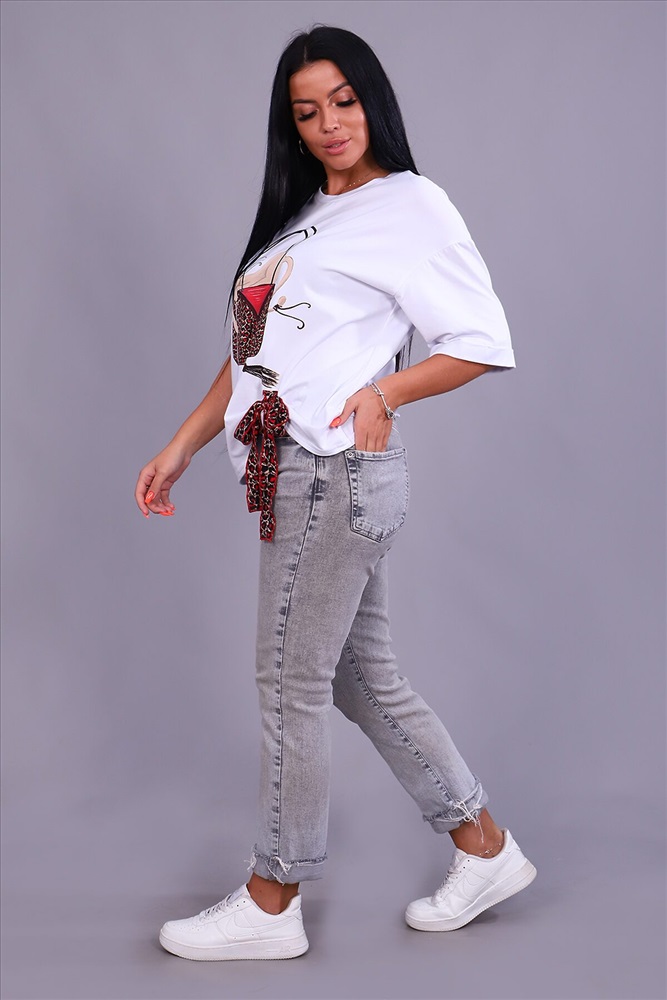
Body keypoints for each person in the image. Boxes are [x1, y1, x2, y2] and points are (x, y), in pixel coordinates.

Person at [135, 25, 537, 962]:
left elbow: (479, 339)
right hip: (293, 471)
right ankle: (484, 847)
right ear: (292, 125)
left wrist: (384, 393)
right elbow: (255, 357)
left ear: (372, 101)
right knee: (360, 678)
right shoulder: (304, 217)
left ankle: (271, 901)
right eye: (307, 110)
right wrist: (183, 443)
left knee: (290, 686)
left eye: (344, 101)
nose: (329, 123)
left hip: (330, 472)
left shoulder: (412, 205)